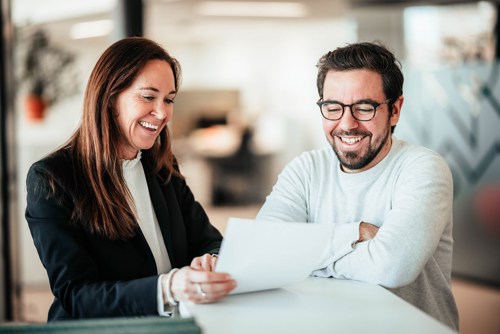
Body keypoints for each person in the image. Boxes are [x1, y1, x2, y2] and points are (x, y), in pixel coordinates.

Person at [25, 37, 236, 321]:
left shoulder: (161, 167)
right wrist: (168, 287)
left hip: (171, 326)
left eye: (169, 99)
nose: (162, 113)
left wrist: (211, 260)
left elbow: (209, 240)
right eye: (148, 97)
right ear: (110, 98)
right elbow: (77, 295)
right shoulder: (52, 179)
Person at [256, 42, 459, 330]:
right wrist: (355, 234)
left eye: (364, 108)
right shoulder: (305, 169)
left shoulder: (422, 168)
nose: (347, 124)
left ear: (395, 110)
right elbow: (263, 247)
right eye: (333, 108)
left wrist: (300, 254)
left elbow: (392, 267)